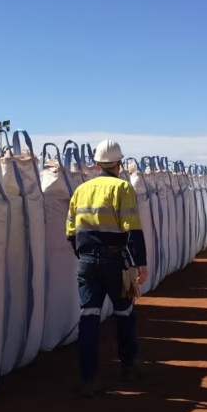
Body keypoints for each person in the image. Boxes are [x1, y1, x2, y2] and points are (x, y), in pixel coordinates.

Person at [66, 138, 148, 397]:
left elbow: (70, 231)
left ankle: (89, 378)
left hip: (87, 262)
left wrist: (84, 256)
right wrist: (140, 263)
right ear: (119, 164)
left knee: (88, 318)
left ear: (97, 163)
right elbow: (132, 228)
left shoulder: (82, 189)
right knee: (124, 312)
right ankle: (128, 364)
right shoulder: (123, 188)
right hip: (116, 262)